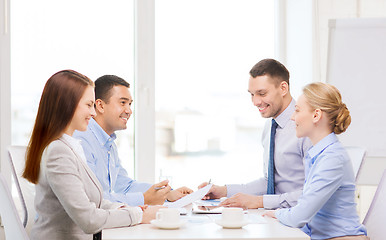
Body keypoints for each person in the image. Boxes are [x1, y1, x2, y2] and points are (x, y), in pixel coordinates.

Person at [22, 70, 161, 240]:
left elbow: (95, 201)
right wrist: (139, 216)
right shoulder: (58, 152)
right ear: (68, 105)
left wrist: (133, 209)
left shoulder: (71, 146)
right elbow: (89, 219)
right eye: (89, 105)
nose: (94, 113)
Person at [199, 59, 311, 209]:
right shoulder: (270, 127)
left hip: (303, 222)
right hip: (278, 217)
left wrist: (259, 202)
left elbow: (315, 193)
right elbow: (269, 182)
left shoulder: (307, 125)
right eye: (252, 94)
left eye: (262, 93)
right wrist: (223, 191)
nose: (255, 102)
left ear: (283, 88)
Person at [263, 82, 368, 240]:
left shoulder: (332, 158)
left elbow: (300, 215)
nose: (292, 117)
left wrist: (276, 213)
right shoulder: (317, 155)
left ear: (316, 115)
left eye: (297, 110)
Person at [74, 75, 192, 207]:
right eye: (122, 103)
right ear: (100, 105)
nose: (129, 110)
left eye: (130, 104)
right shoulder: (82, 140)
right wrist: (143, 199)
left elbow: (125, 185)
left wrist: (167, 193)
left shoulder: (109, 144)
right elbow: (94, 199)